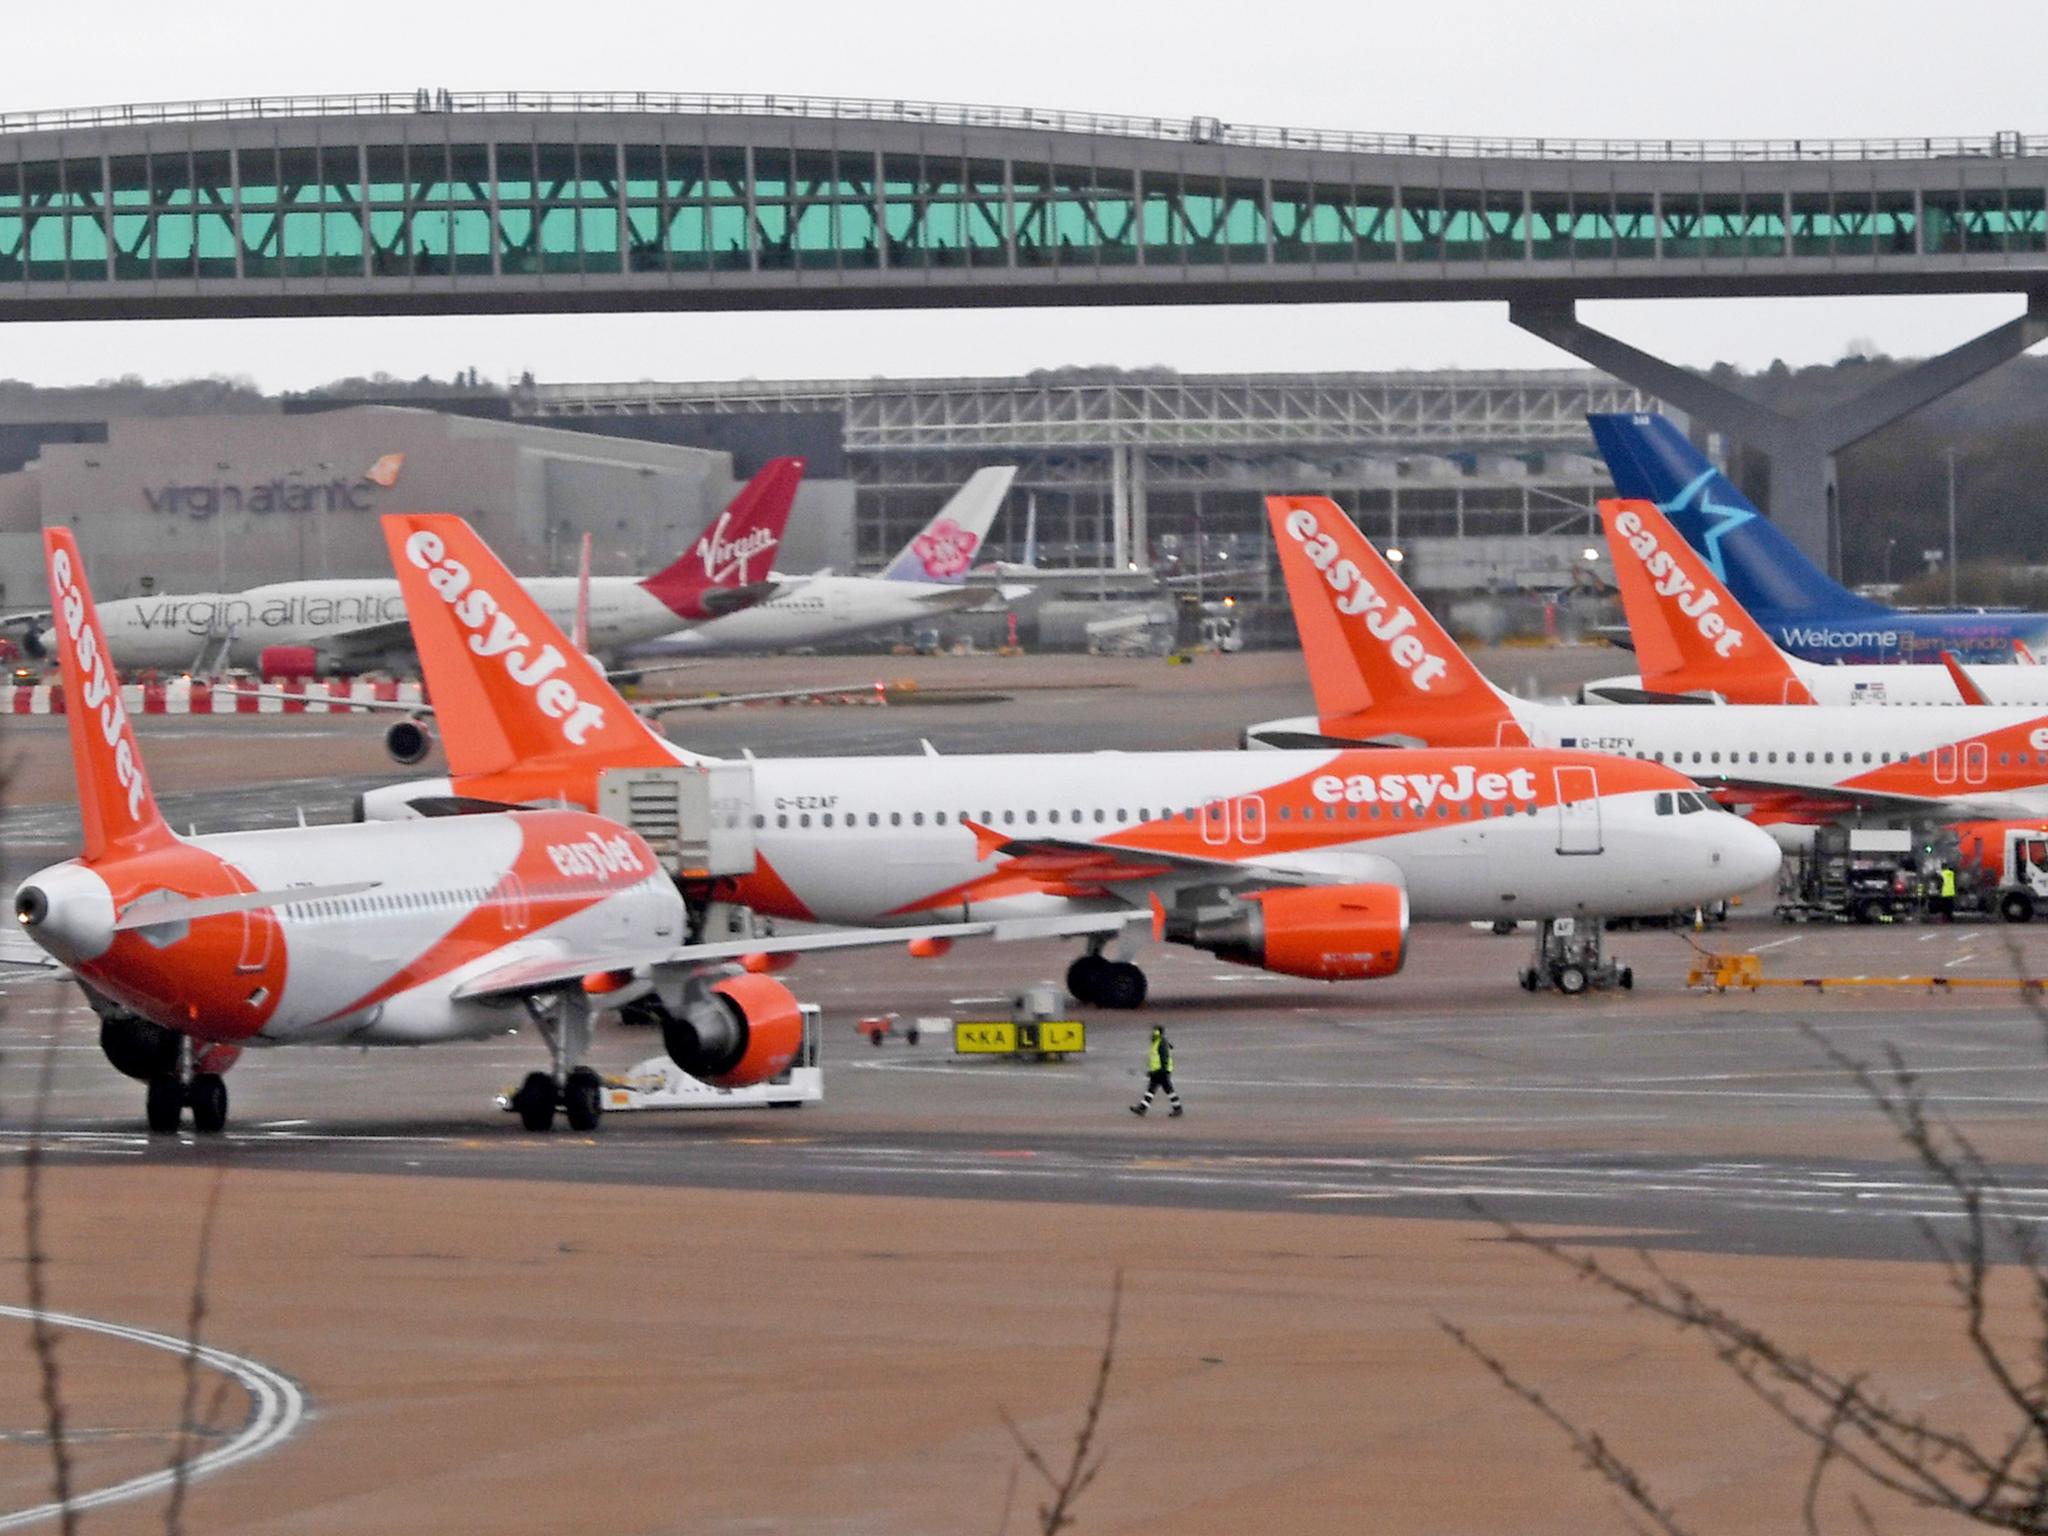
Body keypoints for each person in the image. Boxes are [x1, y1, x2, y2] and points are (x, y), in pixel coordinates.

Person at [1130, 1025, 1182, 1118]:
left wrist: (1161, 1070)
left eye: (1154, 1031)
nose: (1152, 1033)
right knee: (1155, 1090)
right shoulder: (1158, 1042)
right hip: (1158, 1070)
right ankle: (1143, 1108)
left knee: (1164, 1089)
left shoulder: (1161, 1043)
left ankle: (1177, 1109)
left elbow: (1164, 1057)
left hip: (1161, 1071)